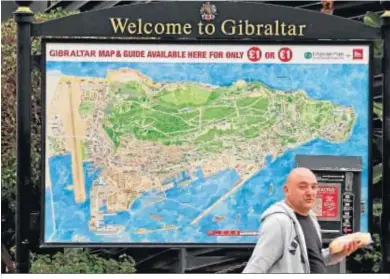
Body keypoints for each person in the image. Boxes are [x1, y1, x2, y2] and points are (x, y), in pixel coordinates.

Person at [243, 167, 362, 273]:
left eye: (314, 187)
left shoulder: (311, 218)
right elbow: (255, 268)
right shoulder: (277, 222)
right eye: (303, 187)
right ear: (286, 190)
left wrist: (335, 254)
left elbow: (310, 260)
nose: (310, 192)